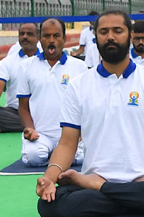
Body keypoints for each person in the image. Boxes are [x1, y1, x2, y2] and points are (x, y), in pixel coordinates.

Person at [35, 11, 144, 217]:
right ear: (96, 37)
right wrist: (49, 179)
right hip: (124, 186)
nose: (110, 37)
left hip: (137, 181)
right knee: (49, 205)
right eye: (104, 32)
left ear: (130, 35)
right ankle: (126, 198)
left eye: (118, 31)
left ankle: (102, 188)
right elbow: (68, 143)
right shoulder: (79, 85)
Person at [14, 18, 89, 166]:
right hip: (40, 135)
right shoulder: (26, 67)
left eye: (56, 36)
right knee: (33, 158)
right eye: (47, 36)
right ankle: (54, 152)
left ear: (64, 39)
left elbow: (87, 105)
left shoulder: (79, 66)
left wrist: (81, 133)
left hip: (71, 134)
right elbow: (23, 106)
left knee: (80, 158)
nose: (51, 40)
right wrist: (29, 129)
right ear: (40, 39)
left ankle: (58, 153)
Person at [0, 22, 39, 133]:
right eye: (22, 34)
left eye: (29, 34)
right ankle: (35, 125)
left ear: (38, 37)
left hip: (42, 110)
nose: (25, 37)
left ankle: (29, 125)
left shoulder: (47, 59)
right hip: (16, 111)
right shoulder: (8, 62)